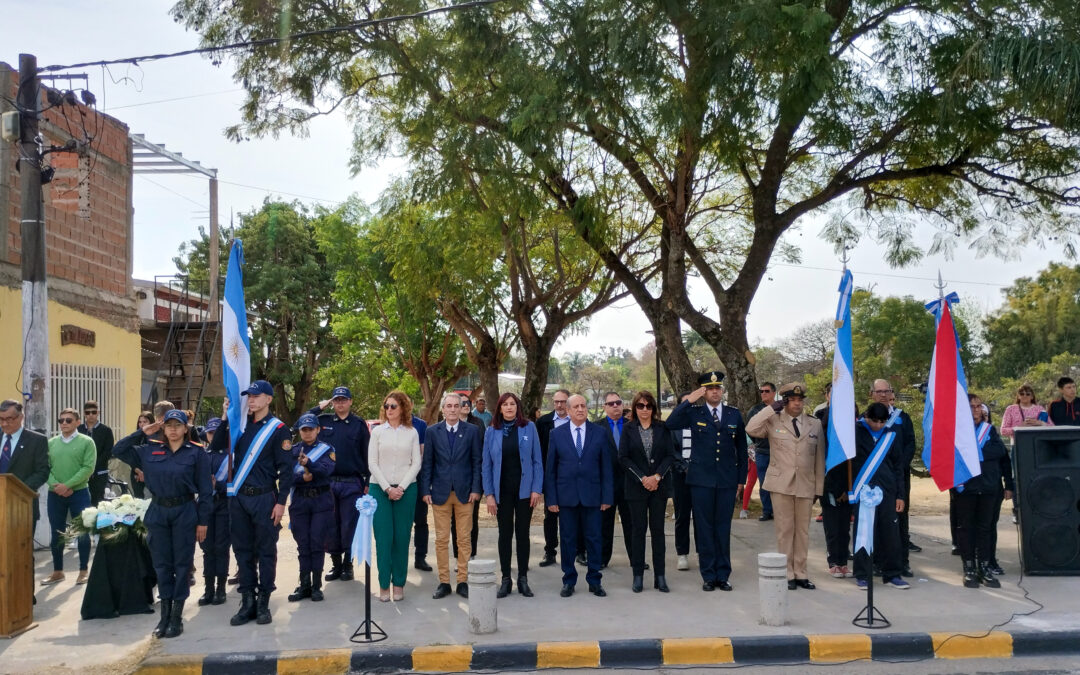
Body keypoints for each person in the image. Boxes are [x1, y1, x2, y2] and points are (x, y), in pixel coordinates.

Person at [113, 409, 211, 638]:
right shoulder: (149, 450)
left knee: (182, 564)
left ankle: (176, 616)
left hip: (185, 510)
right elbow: (118, 450)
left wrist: (203, 521)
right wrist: (144, 431)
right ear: (163, 428)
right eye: (169, 425)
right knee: (162, 564)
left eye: (178, 425)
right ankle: (164, 615)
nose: (174, 429)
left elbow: (206, 490)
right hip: (158, 511)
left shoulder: (196, 454)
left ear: (186, 428)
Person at [208, 381, 295, 626]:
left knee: (266, 550)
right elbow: (215, 448)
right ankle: (247, 601)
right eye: (249, 396)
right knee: (242, 550)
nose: (252, 400)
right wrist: (225, 418)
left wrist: (281, 503)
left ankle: (264, 601)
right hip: (238, 498)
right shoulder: (240, 426)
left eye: (256, 396)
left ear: (268, 399)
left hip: (264, 497)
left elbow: (286, 470)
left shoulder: (277, 429)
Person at [665, 371, 747, 592]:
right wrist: (690, 399)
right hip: (701, 480)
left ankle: (723, 574)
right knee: (705, 527)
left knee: (723, 527)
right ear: (703, 391)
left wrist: (741, 480)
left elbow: (741, 448)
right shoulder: (694, 412)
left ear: (722, 390)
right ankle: (709, 575)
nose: (714, 391)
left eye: (718, 388)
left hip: (727, 481)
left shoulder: (733, 415)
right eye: (710, 388)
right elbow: (670, 423)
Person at [746, 383, 826, 590]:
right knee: (785, 530)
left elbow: (819, 457)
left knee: (802, 531)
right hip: (781, 484)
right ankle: (787, 572)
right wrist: (771, 408)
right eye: (792, 400)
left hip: (806, 484)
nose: (797, 404)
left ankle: (801, 572)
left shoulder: (814, 424)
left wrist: (819, 488)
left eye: (800, 400)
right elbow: (751, 428)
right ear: (785, 401)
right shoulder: (773, 420)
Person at [545, 394, 614, 598]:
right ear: (567, 410)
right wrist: (552, 499)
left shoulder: (599, 433)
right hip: (566, 497)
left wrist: (606, 497)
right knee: (568, 539)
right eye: (576, 406)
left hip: (592, 496)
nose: (580, 409)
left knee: (594, 539)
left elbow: (606, 468)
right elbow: (551, 470)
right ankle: (569, 579)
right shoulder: (556, 434)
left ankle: (594, 580)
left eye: (583, 406)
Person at [420, 393, 482, 600]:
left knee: (464, 539)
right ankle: (444, 582)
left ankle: (463, 581)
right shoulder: (432, 432)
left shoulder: (472, 431)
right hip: (440, 492)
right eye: (449, 406)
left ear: (462, 407)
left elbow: (476, 462)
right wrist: (425, 490)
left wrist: (476, 489)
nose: (453, 409)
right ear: (443, 410)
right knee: (441, 539)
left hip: (465, 493)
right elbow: (427, 462)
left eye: (457, 405)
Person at [307, 386, 371, 583]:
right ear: (332, 402)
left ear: (350, 401)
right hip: (328, 482)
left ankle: (348, 565)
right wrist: (319, 408)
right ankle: (336, 564)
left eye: (344, 400)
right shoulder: (323, 421)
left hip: (352, 482)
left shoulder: (359, 425)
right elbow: (302, 422)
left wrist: (368, 481)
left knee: (348, 525)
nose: (340, 403)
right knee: (330, 526)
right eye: (336, 400)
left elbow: (367, 454)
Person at [483, 392, 543, 598]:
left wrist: (536, 488)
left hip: (525, 491)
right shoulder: (491, 431)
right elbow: (486, 465)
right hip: (502, 493)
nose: (509, 407)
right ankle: (506, 579)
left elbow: (537, 461)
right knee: (505, 534)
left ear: (518, 407)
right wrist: (489, 494)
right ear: (499, 408)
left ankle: (523, 579)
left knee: (523, 534)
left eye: (512, 404)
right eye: (505, 404)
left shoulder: (529, 427)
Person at [618, 390, 677, 593]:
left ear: (654, 408)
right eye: (640, 406)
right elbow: (623, 458)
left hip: (658, 487)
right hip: (636, 488)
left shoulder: (662, 428)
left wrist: (657, 477)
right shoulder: (628, 429)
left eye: (648, 406)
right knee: (638, 531)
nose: (645, 410)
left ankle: (660, 576)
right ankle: (638, 575)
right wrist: (642, 478)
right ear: (635, 408)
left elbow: (670, 456)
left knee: (658, 532)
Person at [954, 394, 1014, 589]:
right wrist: (979, 453)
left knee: (985, 529)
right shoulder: (958, 431)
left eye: (979, 406)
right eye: (971, 407)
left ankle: (984, 567)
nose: (976, 410)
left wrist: (972, 453)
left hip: (988, 486)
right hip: (966, 487)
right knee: (966, 528)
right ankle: (969, 567)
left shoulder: (989, 430)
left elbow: (998, 452)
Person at [369, 390, 422, 602]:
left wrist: (400, 487)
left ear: (403, 408)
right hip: (379, 490)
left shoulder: (412, 432)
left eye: (393, 406)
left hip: (406, 490)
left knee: (401, 538)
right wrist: (387, 488)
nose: (388, 409)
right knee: (383, 539)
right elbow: (372, 463)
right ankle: (383, 584)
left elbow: (416, 463)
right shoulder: (377, 432)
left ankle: (398, 583)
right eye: (386, 406)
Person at [849, 403, 908, 590]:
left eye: (882, 422)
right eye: (874, 421)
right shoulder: (855, 432)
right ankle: (862, 574)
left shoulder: (890, 433)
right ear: (867, 416)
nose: (878, 425)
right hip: (863, 489)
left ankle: (892, 574)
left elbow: (898, 467)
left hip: (888, 490)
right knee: (863, 533)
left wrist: (900, 495)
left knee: (891, 534)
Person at [41, 409, 96, 586]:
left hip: (78, 493)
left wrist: (68, 485)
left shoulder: (87, 442)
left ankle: (83, 571)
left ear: (78, 422)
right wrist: (56, 486)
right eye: (61, 420)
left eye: (68, 420)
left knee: (82, 532)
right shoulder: (51, 443)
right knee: (57, 533)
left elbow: (88, 468)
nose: (64, 423)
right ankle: (58, 571)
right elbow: (45, 467)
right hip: (55, 493)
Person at [870, 380, 918, 576]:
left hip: (897, 476)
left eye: (886, 391)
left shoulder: (902, 418)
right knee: (874, 519)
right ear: (871, 394)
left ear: (892, 393)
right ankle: (877, 561)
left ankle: (901, 562)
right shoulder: (866, 418)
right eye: (878, 391)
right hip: (872, 477)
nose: (882, 394)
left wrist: (899, 466)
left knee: (900, 518)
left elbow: (910, 444)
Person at [287, 414, 336, 602]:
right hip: (300, 501)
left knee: (317, 542)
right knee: (303, 544)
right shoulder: (293, 451)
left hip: (320, 500)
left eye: (310, 429)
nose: (307, 433)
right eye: (303, 430)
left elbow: (327, 471)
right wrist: (301, 478)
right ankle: (304, 584)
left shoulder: (326, 449)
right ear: (300, 431)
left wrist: (310, 464)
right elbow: (285, 477)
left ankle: (316, 586)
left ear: (317, 430)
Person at [591, 391, 633, 569]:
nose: (615, 406)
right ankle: (602, 559)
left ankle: (636, 559)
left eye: (618, 402)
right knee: (604, 525)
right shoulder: (596, 428)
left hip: (629, 483)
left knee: (632, 524)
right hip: (605, 485)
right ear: (604, 407)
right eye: (611, 404)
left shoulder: (633, 426)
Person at [0, 399, 50, 547]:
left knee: (21, 553)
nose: (4, 424)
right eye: (1, 419)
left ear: (21, 417)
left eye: (9, 419)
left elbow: (43, 471)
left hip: (22, 505)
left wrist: (19, 490)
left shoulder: (36, 440)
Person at [816, 398, 852, 578]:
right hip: (829, 488)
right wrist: (837, 490)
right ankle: (833, 561)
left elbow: (852, 465)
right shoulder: (824, 435)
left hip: (848, 489)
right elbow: (825, 465)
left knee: (845, 528)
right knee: (833, 527)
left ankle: (843, 561)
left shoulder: (851, 437)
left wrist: (847, 489)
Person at [535, 389, 571, 568]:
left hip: (572, 478)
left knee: (573, 515)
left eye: (563, 401)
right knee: (550, 516)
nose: (559, 405)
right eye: (556, 401)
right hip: (551, 477)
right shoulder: (543, 422)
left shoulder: (577, 421)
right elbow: (538, 452)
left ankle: (577, 551)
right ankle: (550, 552)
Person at [196, 416, 230, 606]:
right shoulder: (200, 455)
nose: (213, 436)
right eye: (210, 432)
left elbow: (236, 483)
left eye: (217, 432)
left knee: (221, 547)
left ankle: (220, 588)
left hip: (224, 505)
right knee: (207, 548)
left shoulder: (231, 456)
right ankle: (208, 588)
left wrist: (220, 485)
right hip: (205, 507)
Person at [451, 395, 483, 561]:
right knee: (454, 522)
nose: (465, 405)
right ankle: (458, 556)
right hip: (452, 484)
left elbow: (480, 454)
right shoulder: (448, 426)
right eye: (461, 403)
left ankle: (471, 554)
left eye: (467, 403)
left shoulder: (477, 424)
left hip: (471, 481)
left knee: (472, 520)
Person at [744, 382, 776, 521]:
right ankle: (767, 511)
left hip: (779, 452)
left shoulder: (781, 408)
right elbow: (749, 431)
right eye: (761, 391)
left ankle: (779, 510)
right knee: (764, 483)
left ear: (774, 392)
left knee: (780, 483)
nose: (763, 393)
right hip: (762, 451)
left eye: (767, 391)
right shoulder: (755, 410)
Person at [78, 400, 115, 506]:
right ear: (84, 414)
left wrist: (92, 467)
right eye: (88, 412)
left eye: (93, 412)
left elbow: (108, 452)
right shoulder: (79, 429)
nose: (91, 415)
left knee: (98, 503)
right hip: (81, 474)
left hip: (99, 473)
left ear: (98, 413)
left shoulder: (106, 430)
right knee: (82, 503)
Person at [411, 412, 431, 572]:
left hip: (417, 479)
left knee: (421, 521)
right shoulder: (388, 423)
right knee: (399, 525)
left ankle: (420, 557)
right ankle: (398, 559)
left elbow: (424, 454)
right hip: (395, 481)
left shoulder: (420, 425)